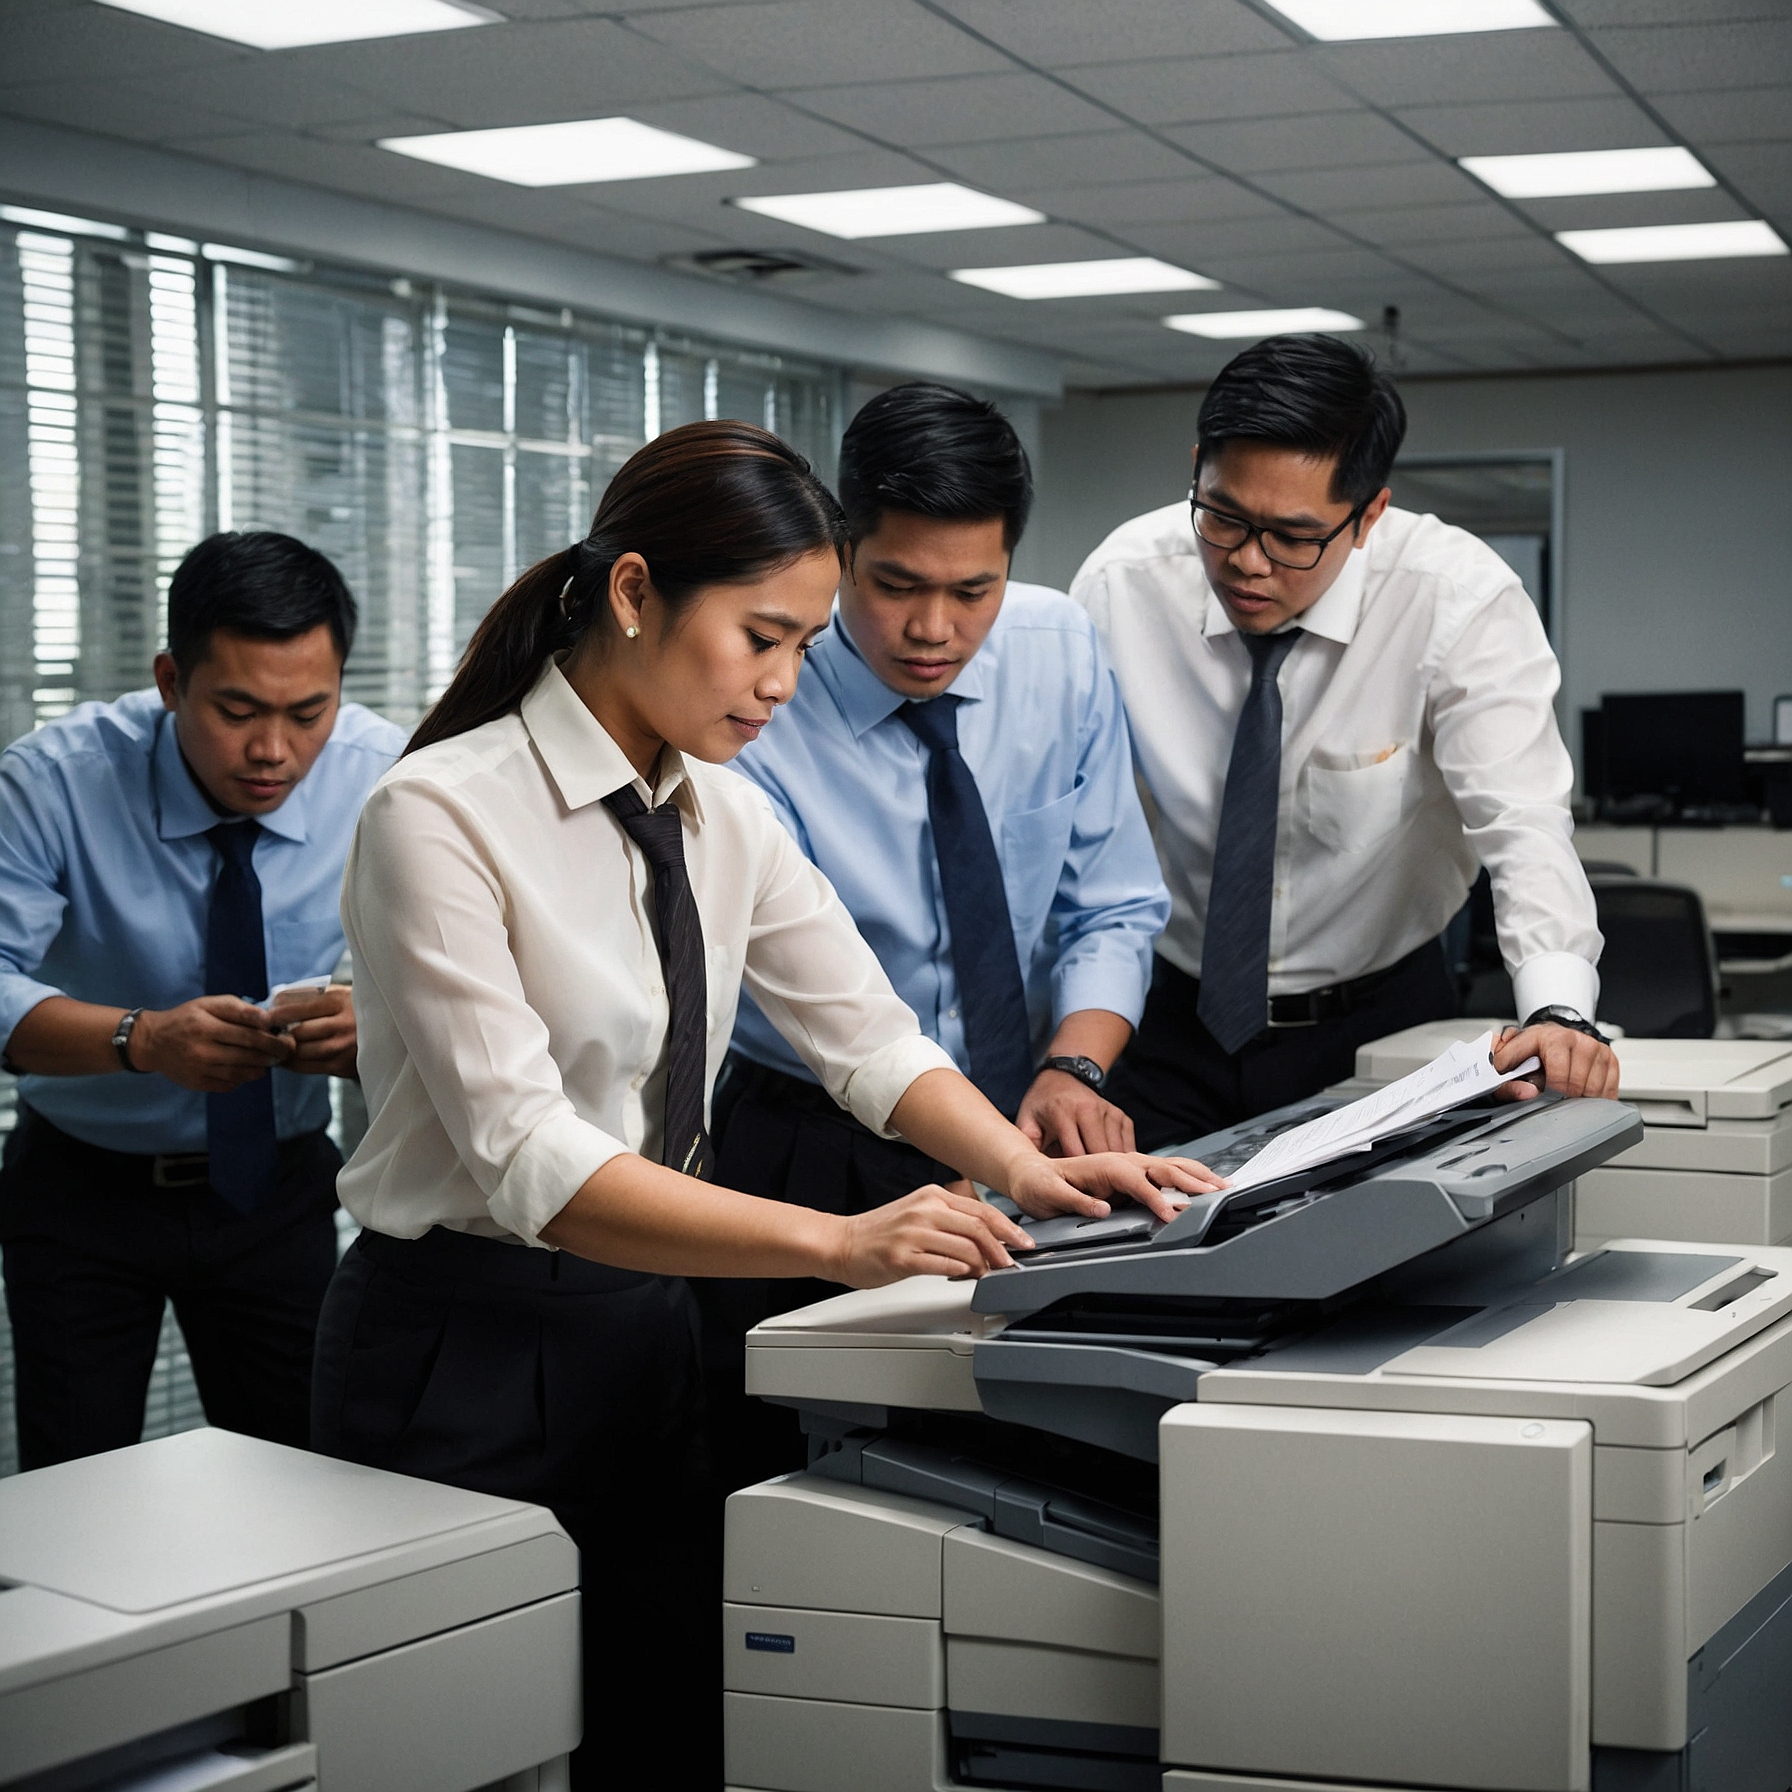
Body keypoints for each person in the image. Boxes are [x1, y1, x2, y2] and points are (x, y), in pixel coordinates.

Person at [309, 420, 1219, 1790]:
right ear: (632, 594)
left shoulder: (724, 815)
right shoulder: (439, 813)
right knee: (460, 1750)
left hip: (644, 1332)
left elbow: (867, 1040)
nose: (788, 682)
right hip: (461, 1350)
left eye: (805, 644)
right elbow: (533, 1162)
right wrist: (837, 1244)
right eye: (762, 637)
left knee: (666, 1725)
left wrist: (1027, 1175)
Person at [704, 382, 1171, 1492]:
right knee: (796, 1467)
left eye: (974, 590)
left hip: (1028, 1119)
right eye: (895, 585)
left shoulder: (1059, 651)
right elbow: (818, 994)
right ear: (838, 548)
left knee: (1032, 1453)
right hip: (810, 1139)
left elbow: (1109, 901)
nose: (932, 629)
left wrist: (1073, 1064)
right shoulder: (757, 697)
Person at [1070, 333, 1620, 1148]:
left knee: (1368, 1265)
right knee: (1147, 1260)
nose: (1249, 564)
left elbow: (1523, 824)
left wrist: (1557, 1007)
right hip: (1169, 1020)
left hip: (1376, 1030)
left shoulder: (1456, 601)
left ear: (1368, 516)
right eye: (1222, 517)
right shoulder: (1122, 584)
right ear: (1197, 469)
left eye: (1294, 537)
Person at [0, 530, 403, 1469]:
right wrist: (138, 1040)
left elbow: (460, 971)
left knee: (301, 1476)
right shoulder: (53, 781)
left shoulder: (387, 776)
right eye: (236, 710)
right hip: (81, 1192)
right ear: (171, 680)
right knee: (76, 1486)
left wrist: (377, 1024)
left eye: (310, 712)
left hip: (279, 1187)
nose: (274, 750)